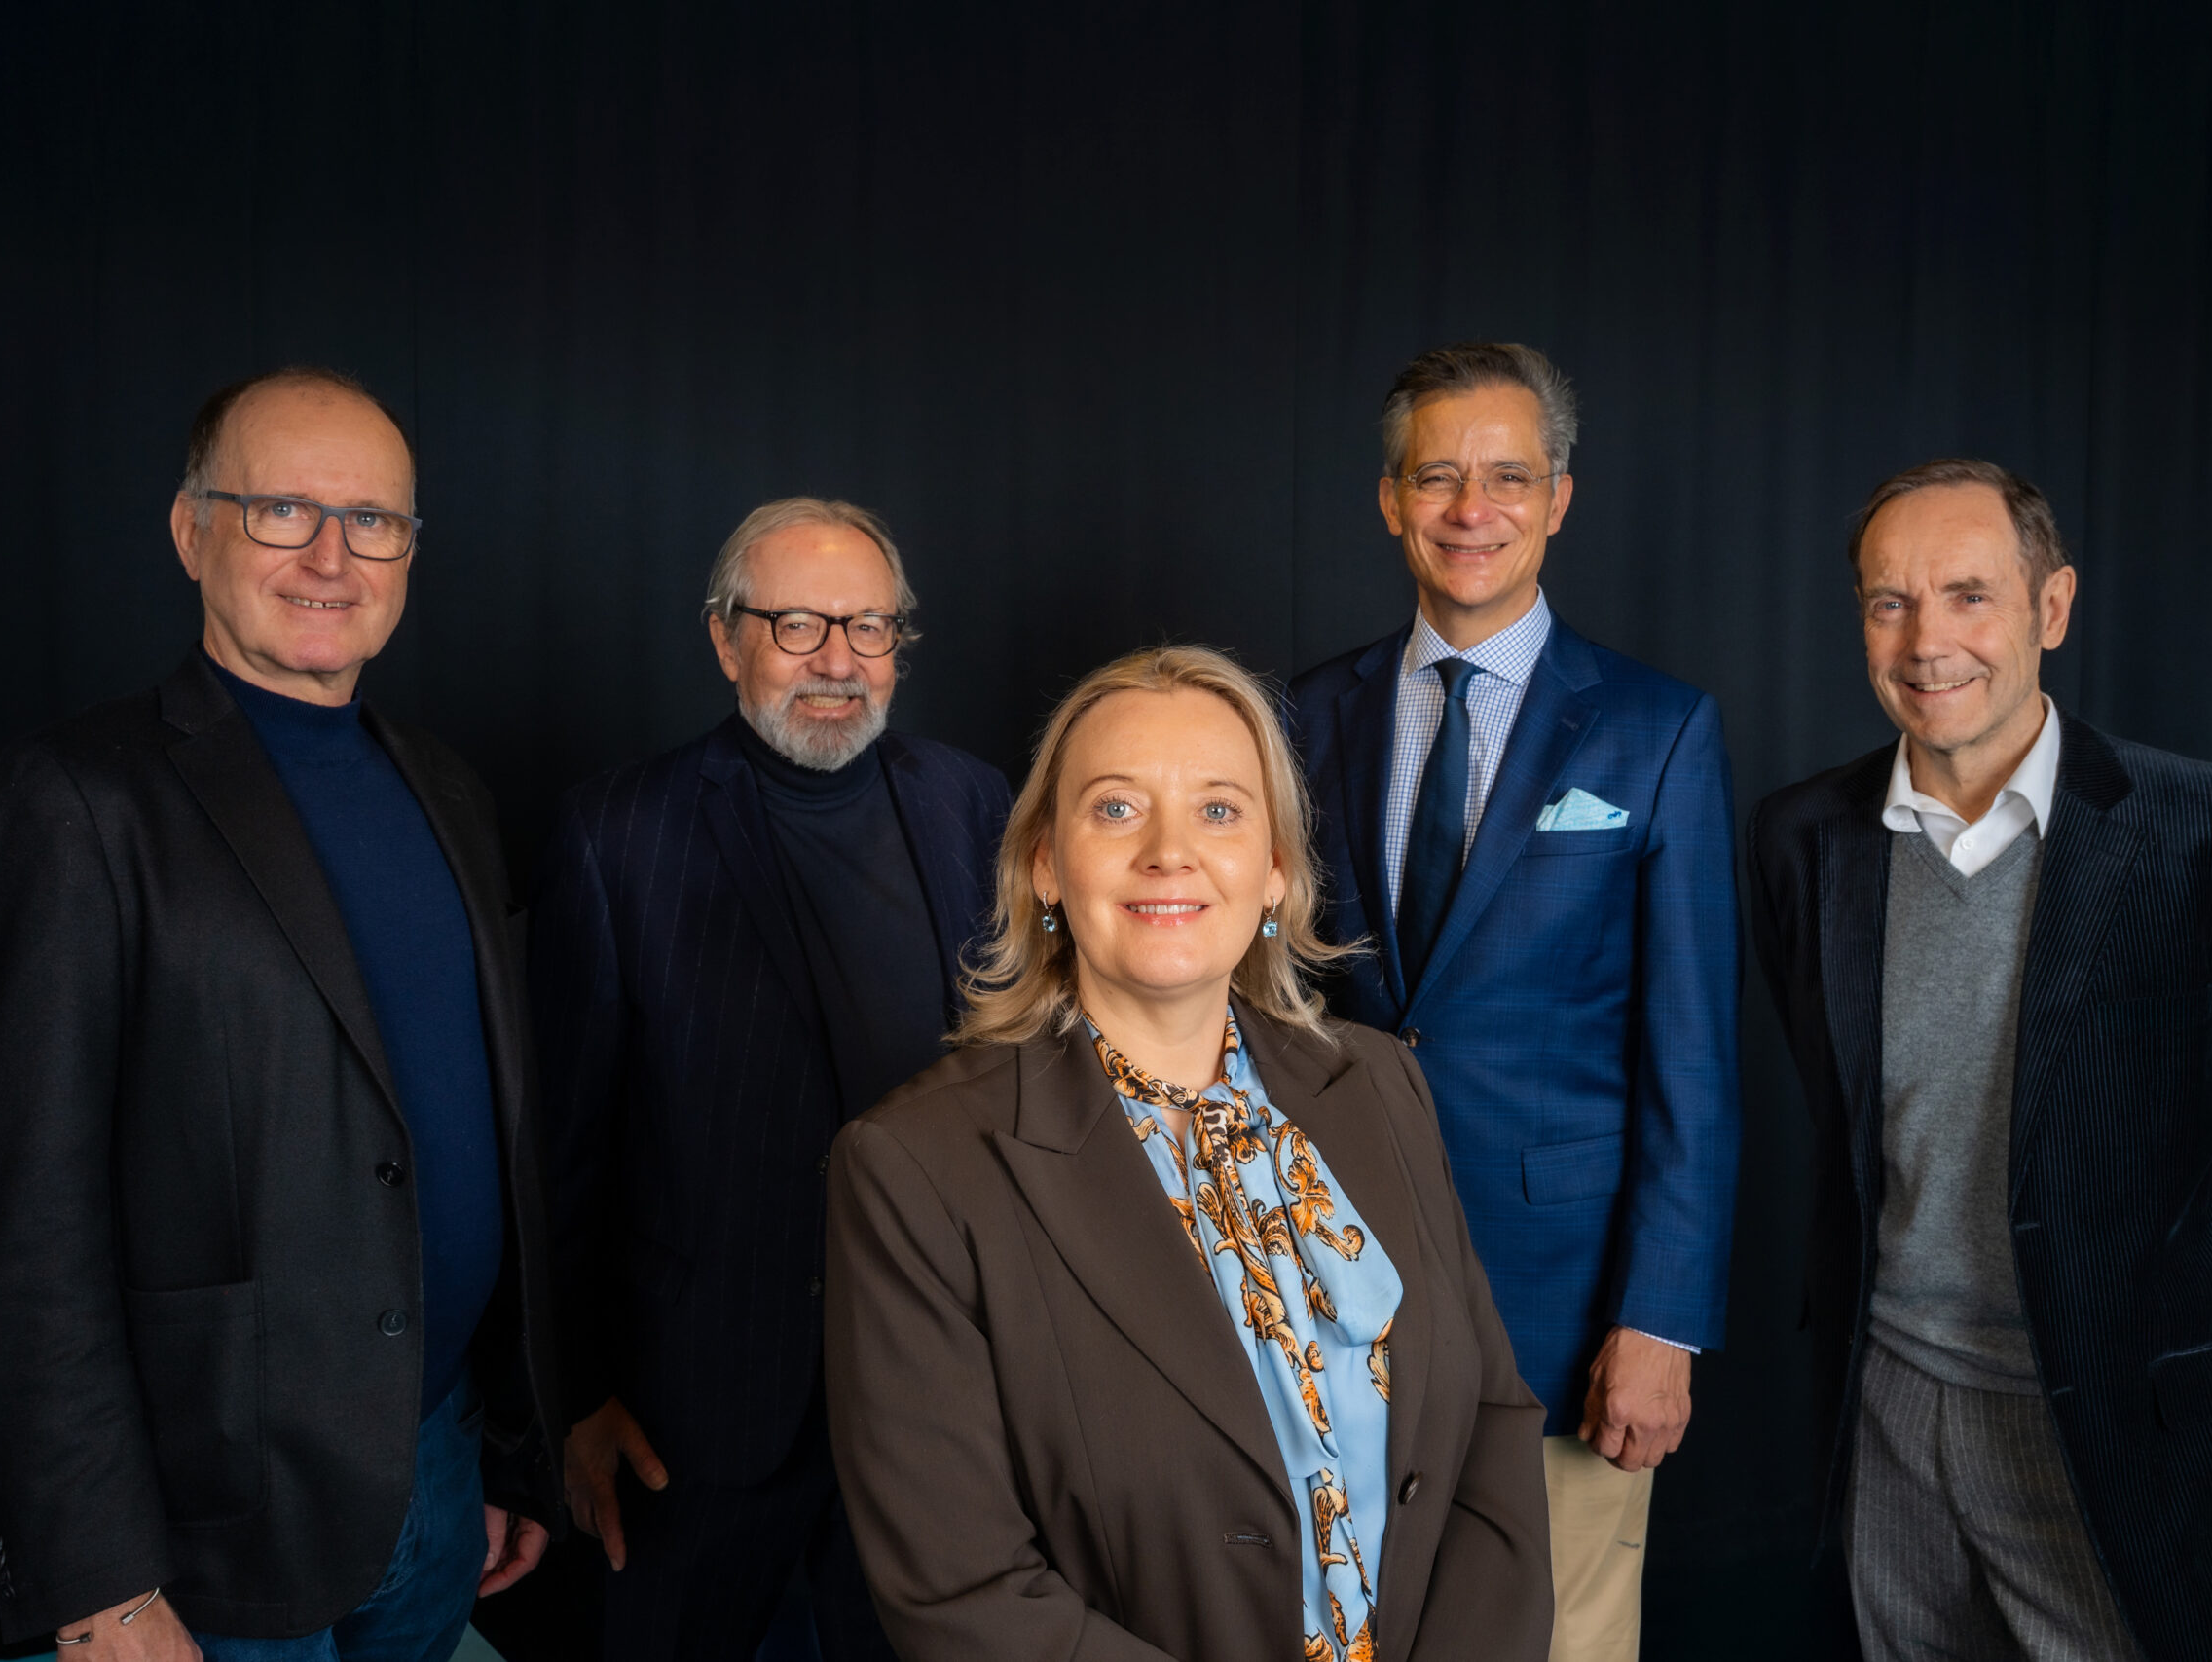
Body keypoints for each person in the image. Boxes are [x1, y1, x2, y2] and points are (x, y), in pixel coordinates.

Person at [0, 367, 565, 1660]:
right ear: (190, 531)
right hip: (202, 1522)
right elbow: (20, 1232)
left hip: (438, 1470)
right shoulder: (76, 801)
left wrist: (499, 1446)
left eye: (371, 520)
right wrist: (96, 1578)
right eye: (282, 510)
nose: (331, 556)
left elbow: (461, 1131)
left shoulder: (448, 790)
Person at [824, 645, 1553, 1661]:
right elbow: (963, 1591)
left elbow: (1490, 1425)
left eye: (1218, 810)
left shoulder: (1381, 1083)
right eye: (1117, 808)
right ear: (1044, 863)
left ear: (1275, 869)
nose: (1170, 852)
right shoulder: (915, 1169)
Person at [1749, 458, 2212, 1662]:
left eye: (1969, 595)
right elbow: (1843, 1108)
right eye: (1890, 602)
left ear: (2052, 608)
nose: (1927, 642)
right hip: (1890, 1403)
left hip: (2120, 1418)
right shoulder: (1800, 836)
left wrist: (2180, 1358)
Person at [1286, 341, 1742, 1659]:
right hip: (1337, 1292)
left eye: (1507, 477)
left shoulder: (1656, 728)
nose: (1470, 508)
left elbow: (1694, 1059)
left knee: (1561, 1640)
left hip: (1567, 1305)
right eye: (1437, 476)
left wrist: (1661, 1318)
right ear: (1391, 499)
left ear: (1559, 498)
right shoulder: (1305, 714)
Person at [533, 498, 1009, 1661]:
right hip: (696, 1411)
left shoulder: (972, 803)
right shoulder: (616, 833)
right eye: (797, 625)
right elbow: (560, 1153)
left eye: (868, 626)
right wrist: (575, 1397)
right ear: (724, 638)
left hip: (931, 1394)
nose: (837, 661)